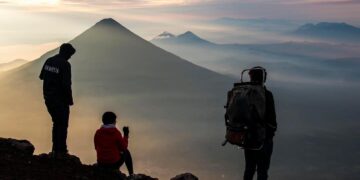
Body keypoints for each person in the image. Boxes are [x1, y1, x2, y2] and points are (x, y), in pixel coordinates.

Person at [39, 43, 76, 156]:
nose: (70, 57)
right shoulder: (65, 64)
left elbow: (41, 76)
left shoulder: (49, 60)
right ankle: (61, 150)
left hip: (48, 98)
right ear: (66, 53)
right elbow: (66, 84)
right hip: (60, 100)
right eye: (70, 55)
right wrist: (70, 100)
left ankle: (56, 149)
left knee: (56, 123)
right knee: (62, 124)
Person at [243, 67, 277, 180]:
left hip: (248, 139)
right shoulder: (267, 95)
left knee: (249, 169)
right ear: (263, 78)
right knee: (262, 171)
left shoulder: (244, 93)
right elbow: (272, 121)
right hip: (264, 140)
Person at [94, 111, 134, 176]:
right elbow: (123, 147)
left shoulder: (98, 133)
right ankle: (131, 174)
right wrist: (126, 135)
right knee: (126, 152)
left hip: (101, 162)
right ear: (113, 121)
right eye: (115, 120)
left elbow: (96, 147)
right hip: (113, 164)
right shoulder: (116, 133)